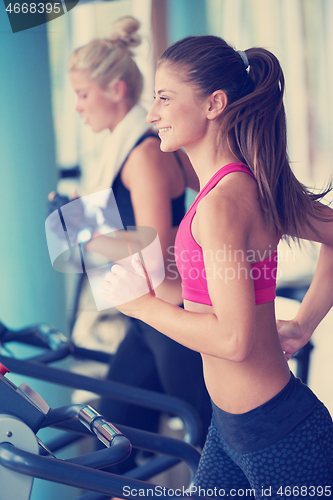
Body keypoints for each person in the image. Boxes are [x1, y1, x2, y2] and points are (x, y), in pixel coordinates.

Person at [101, 35, 333, 495]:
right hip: (231, 429)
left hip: (277, 435)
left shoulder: (224, 204)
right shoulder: (240, 187)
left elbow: (233, 338)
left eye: (165, 98)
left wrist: (143, 307)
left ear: (214, 104)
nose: (152, 114)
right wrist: (304, 322)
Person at [53, 17, 212, 472]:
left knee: (208, 435)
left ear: (117, 89)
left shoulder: (141, 153)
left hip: (172, 313)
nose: (79, 107)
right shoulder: (129, 149)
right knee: (114, 441)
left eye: (83, 95)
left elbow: (154, 247)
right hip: (147, 317)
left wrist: (80, 231)